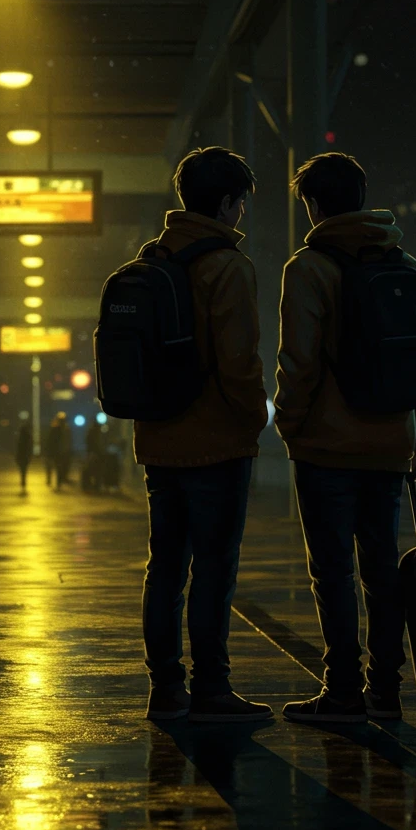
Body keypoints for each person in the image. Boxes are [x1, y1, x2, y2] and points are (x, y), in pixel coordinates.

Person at [274, 152, 416, 724]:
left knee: (333, 572)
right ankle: (387, 691)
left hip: (326, 447)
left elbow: (297, 363)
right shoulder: (407, 265)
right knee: (382, 567)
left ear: (312, 205)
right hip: (391, 440)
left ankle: (342, 689)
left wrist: (289, 425)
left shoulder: (309, 268)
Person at [135, 146, 271, 724]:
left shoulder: (150, 261)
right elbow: (239, 363)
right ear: (225, 202)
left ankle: (166, 689)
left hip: (160, 442)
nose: (241, 214)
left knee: (165, 567)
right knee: (213, 569)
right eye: (240, 203)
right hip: (216, 445)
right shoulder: (228, 267)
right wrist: (254, 418)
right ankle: (213, 690)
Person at [44, 412, 72, 490]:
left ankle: (57, 481)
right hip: (58, 451)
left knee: (58, 467)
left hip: (59, 452)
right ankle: (56, 481)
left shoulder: (61, 429)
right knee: (56, 467)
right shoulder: (58, 429)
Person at [84, 418, 105, 491]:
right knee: (95, 470)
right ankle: (93, 485)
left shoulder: (91, 432)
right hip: (94, 453)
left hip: (93, 453)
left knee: (91, 469)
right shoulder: (95, 433)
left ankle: (89, 485)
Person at [16, 422, 33, 491]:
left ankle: (23, 481)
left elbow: (18, 447)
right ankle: (23, 481)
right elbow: (29, 447)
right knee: (24, 470)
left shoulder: (19, 437)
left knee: (22, 470)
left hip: (21, 455)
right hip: (25, 456)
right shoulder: (28, 436)